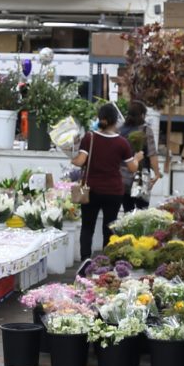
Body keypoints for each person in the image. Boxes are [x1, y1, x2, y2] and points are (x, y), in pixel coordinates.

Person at [72, 103, 140, 261]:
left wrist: (70, 152)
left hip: (92, 189)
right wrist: (137, 158)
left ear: (100, 118)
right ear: (116, 121)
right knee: (109, 228)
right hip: (113, 191)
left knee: (87, 226)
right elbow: (132, 168)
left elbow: (80, 161)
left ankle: (85, 260)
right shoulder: (122, 143)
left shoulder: (89, 138)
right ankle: (106, 261)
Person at [120, 101, 160, 213]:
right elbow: (152, 155)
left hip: (123, 178)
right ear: (142, 115)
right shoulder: (145, 130)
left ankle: (127, 230)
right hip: (140, 178)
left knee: (127, 211)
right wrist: (157, 174)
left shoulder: (120, 130)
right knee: (141, 212)